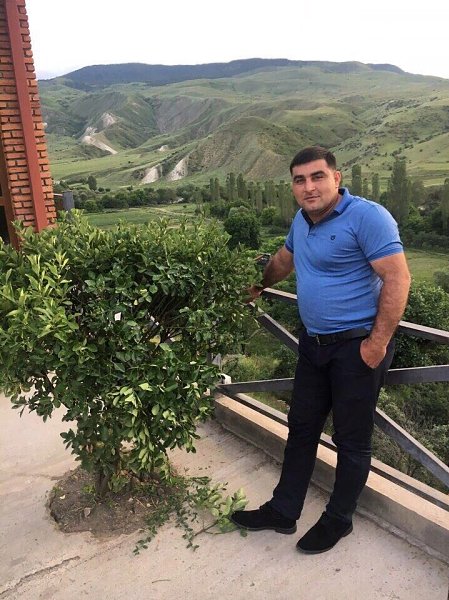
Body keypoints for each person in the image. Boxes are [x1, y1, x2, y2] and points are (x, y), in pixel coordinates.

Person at [230, 146, 411, 554]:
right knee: (302, 427)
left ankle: (338, 519)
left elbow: (398, 279)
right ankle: (283, 510)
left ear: (336, 178)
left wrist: (376, 344)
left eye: (317, 177)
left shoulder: (368, 217)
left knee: (351, 440)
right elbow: (284, 260)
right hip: (313, 345)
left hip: (356, 348)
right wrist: (259, 284)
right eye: (300, 180)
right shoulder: (302, 219)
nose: (308, 187)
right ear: (293, 186)